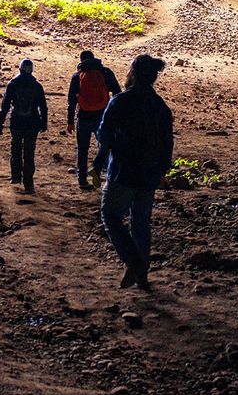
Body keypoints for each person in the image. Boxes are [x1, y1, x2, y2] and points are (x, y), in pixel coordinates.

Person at [94, 54, 173, 290]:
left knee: (110, 215)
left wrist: (99, 161)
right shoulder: (160, 107)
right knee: (140, 222)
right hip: (149, 174)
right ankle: (142, 276)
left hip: (124, 171)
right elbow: (167, 141)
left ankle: (133, 262)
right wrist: (162, 169)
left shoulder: (120, 101)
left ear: (134, 74)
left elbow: (104, 134)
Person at [66, 49, 121, 190]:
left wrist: (70, 121)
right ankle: (102, 173)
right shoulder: (106, 73)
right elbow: (117, 93)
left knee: (82, 149)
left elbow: (72, 101)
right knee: (105, 147)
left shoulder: (77, 76)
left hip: (83, 118)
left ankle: (82, 179)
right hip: (102, 118)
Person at [0, 59, 48, 193]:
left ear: (19, 69)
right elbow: (43, 106)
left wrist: (0, 122)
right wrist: (44, 122)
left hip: (17, 122)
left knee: (16, 149)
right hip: (32, 123)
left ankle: (16, 177)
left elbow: (5, 105)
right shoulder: (37, 85)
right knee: (29, 153)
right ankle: (29, 183)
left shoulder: (13, 84)